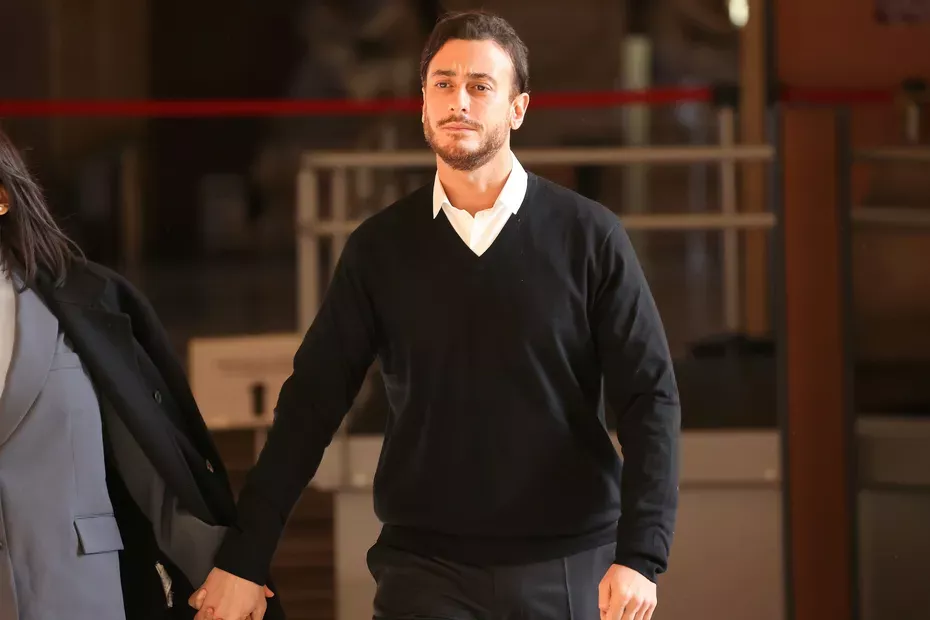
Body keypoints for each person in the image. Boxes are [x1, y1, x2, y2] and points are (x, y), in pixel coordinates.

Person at [193, 10, 680, 620]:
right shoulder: (379, 248)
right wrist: (246, 557)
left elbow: (649, 399)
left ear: (518, 109)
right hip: (423, 572)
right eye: (443, 84)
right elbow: (310, 405)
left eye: (481, 86)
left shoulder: (590, 237)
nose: (459, 101)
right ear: (422, 104)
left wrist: (641, 554)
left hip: (568, 564)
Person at [0, 127, 283, 620]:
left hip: (75, 589)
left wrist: (225, 566)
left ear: (3, 198)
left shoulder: (81, 300)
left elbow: (146, 455)